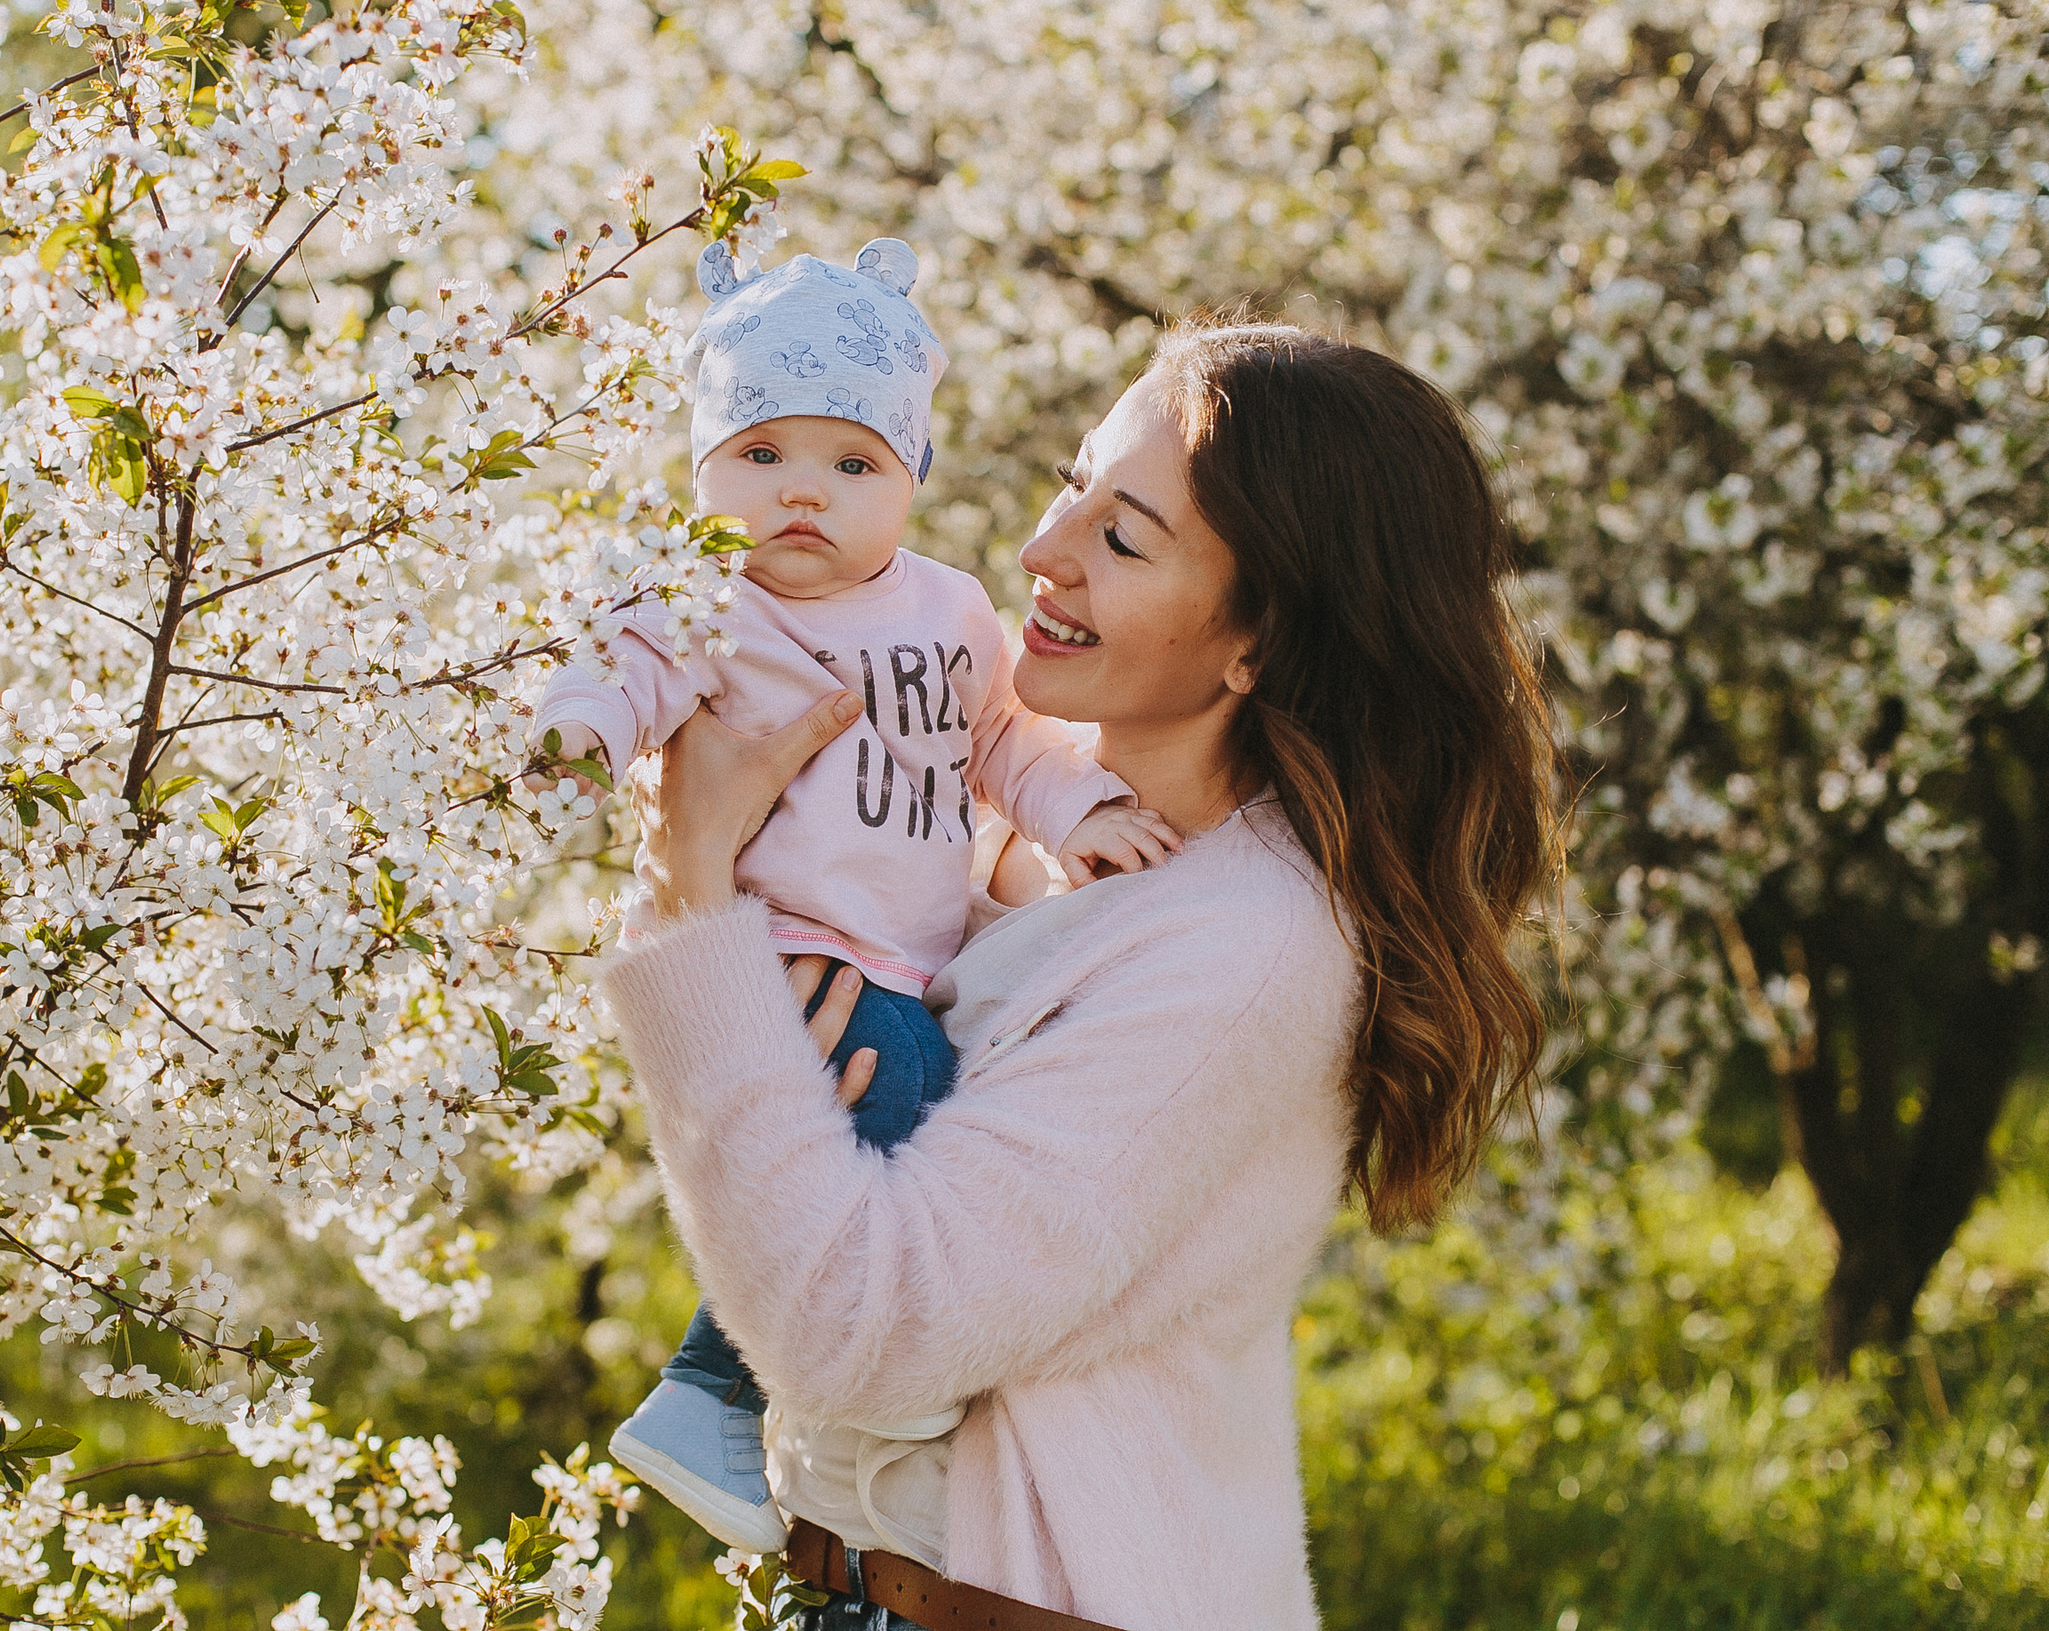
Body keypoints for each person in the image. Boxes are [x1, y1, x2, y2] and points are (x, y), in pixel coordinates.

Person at [600, 319, 1561, 1629]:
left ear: (1260, 644)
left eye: (1122, 538)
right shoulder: (1001, 844)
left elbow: (870, 1335)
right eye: (1071, 484)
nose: (1042, 554)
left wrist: (691, 892)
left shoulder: (1244, 949)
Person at [527, 237, 1176, 1550]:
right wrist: (580, 729)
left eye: (852, 462)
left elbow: (1007, 745)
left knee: (911, 1110)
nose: (802, 496)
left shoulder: (948, 609)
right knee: (888, 1099)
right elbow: (621, 662)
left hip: (902, 951)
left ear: (911, 478)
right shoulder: (699, 596)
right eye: (760, 456)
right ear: (704, 470)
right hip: (781, 946)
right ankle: (722, 1390)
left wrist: (1089, 810)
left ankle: (772, 1387)